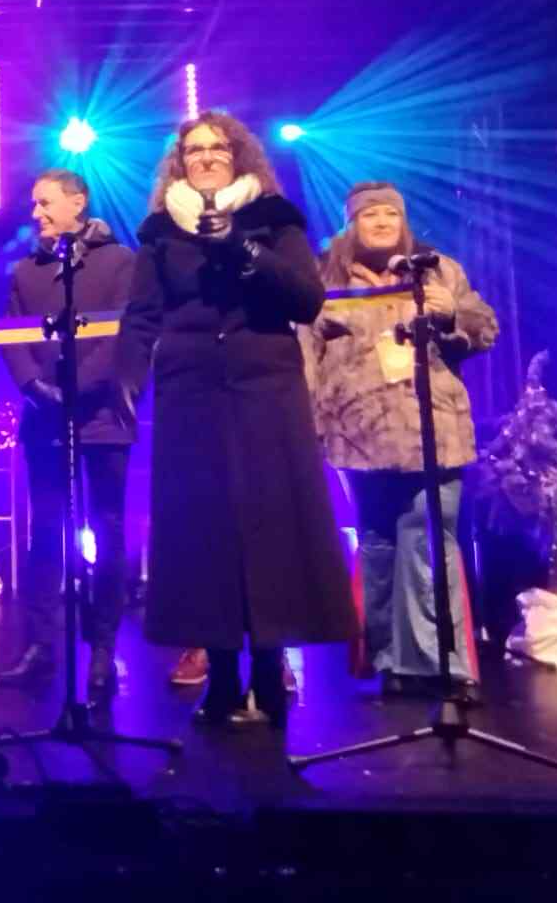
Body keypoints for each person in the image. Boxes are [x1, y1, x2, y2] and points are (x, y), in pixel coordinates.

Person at [118, 113, 356, 727]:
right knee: (204, 531)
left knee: (271, 524)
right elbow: (142, 314)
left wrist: (243, 248)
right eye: (193, 150)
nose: (204, 157)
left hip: (265, 391)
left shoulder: (273, 218)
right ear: (179, 162)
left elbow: (306, 298)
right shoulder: (160, 231)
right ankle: (222, 677)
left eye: (216, 148)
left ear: (238, 155)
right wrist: (128, 377)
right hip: (190, 395)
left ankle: (270, 671)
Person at [305, 181, 497, 703]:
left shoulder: (438, 270)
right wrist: (310, 422)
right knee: (377, 542)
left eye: (391, 213)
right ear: (352, 224)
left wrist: (452, 315)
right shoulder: (324, 279)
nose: (383, 222)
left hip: (433, 428)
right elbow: (306, 354)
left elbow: (485, 328)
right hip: (357, 430)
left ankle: (442, 663)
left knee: (429, 535)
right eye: (371, 215)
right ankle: (390, 659)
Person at [0, 170, 134, 697]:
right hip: (44, 417)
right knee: (46, 530)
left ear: (78, 203)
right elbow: (11, 334)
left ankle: (103, 650)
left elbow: (123, 336)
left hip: (103, 418)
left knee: (107, 528)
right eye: (34, 203)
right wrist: (34, 385)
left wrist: (79, 386)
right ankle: (41, 645)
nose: (35, 213)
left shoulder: (120, 262)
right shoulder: (28, 270)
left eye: (45, 202)